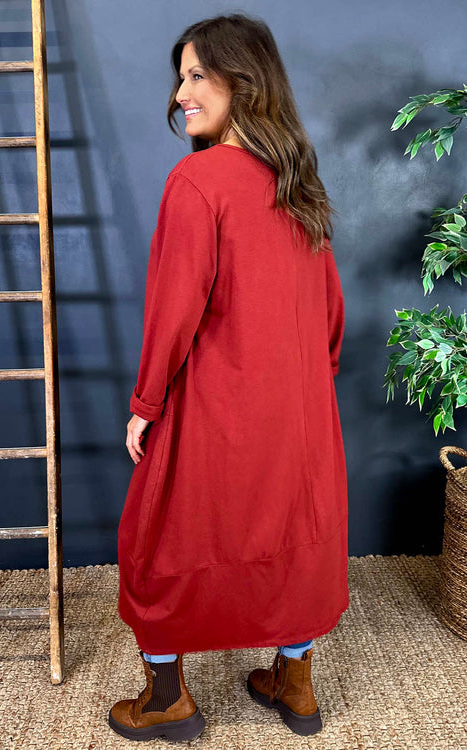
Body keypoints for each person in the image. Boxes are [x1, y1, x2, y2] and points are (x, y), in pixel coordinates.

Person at [109, 12, 348, 743]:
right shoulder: (298, 186)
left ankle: (167, 701)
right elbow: (331, 314)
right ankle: (294, 686)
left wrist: (146, 403)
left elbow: (173, 311)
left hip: (215, 405)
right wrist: (305, 386)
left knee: (157, 544)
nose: (181, 93)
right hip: (301, 410)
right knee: (296, 541)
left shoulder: (197, 182)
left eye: (196, 75)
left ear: (242, 82)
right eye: (180, 78)